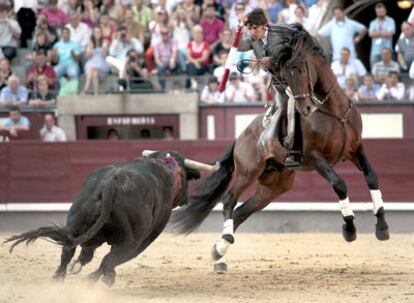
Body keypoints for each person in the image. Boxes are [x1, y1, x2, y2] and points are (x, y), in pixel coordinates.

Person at [82, 26, 110, 95]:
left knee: (92, 69)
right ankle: (96, 94)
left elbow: (105, 56)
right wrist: (90, 48)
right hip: (91, 63)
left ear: (101, 33)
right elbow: (87, 56)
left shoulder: (105, 42)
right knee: (94, 73)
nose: (97, 34)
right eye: (96, 32)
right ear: (93, 34)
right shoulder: (90, 43)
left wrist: (104, 47)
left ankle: (85, 90)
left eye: (99, 32)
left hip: (101, 64)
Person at [368, 3, 395, 67]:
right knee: (375, 70)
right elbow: (370, 34)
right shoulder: (373, 22)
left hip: (387, 50)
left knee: (389, 70)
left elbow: (390, 34)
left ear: (385, 11)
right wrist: (384, 32)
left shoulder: (390, 21)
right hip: (375, 51)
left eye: (381, 11)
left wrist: (377, 33)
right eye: (378, 12)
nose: (379, 13)